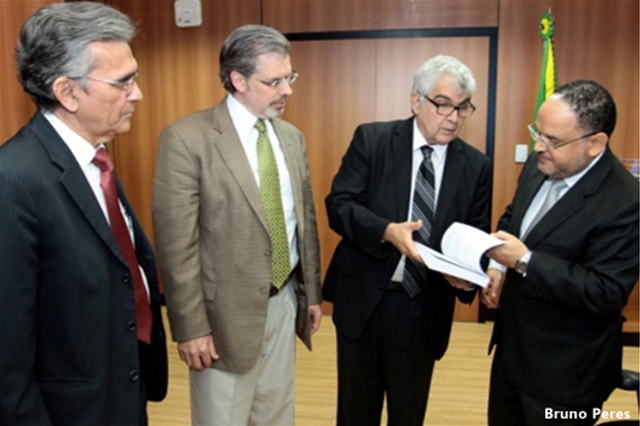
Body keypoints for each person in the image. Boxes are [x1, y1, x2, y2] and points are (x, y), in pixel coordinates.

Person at [0, 2, 168, 426]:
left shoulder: (95, 157)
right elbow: (8, 354)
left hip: (122, 393)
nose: (138, 94)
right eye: (123, 82)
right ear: (67, 92)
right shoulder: (13, 180)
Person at [152, 24, 322, 426]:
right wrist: (190, 327)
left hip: (283, 305)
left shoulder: (292, 138)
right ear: (238, 80)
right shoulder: (187, 139)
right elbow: (178, 246)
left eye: (290, 77)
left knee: (277, 416)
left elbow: (304, 220)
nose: (287, 90)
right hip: (221, 320)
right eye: (274, 81)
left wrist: (310, 292)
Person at [323, 55, 492, 426]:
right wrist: (387, 230)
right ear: (416, 101)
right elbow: (339, 205)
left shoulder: (476, 165)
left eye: (463, 108)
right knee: (355, 411)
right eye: (443, 104)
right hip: (366, 298)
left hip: (424, 305)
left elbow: (475, 233)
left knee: (408, 413)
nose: (454, 116)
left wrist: (468, 273)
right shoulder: (374, 139)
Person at [483, 80, 639, 426]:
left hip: (567, 374)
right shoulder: (544, 165)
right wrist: (498, 265)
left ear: (596, 143)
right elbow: (514, 218)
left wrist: (525, 261)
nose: (538, 146)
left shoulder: (626, 202)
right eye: (538, 132)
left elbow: (606, 292)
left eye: (553, 140)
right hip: (512, 355)